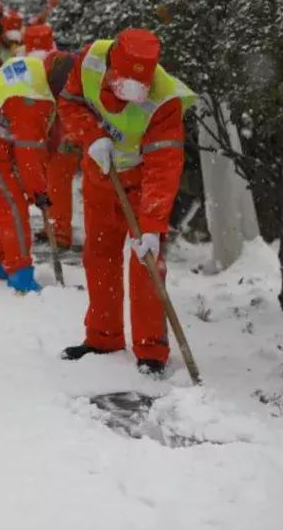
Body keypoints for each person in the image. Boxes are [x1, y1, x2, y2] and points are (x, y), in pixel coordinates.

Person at [58, 28, 196, 375]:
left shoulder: (165, 100)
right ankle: (103, 338)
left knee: (146, 264)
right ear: (110, 67)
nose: (131, 95)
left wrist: (151, 226)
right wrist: (91, 136)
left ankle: (151, 351)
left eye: (139, 88)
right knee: (99, 255)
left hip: (140, 184)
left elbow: (163, 168)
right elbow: (70, 103)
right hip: (100, 175)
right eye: (123, 85)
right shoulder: (90, 61)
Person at [0, 51, 73, 294]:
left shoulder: (31, 66)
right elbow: (30, 153)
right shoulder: (34, 99)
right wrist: (39, 191)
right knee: (12, 207)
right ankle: (20, 274)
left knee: (1, 204)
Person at [22, 24, 80, 250]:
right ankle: (53, 228)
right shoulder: (49, 63)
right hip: (54, 128)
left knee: (58, 180)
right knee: (51, 181)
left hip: (66, 131)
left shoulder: (62, 66)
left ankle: (61, 232)